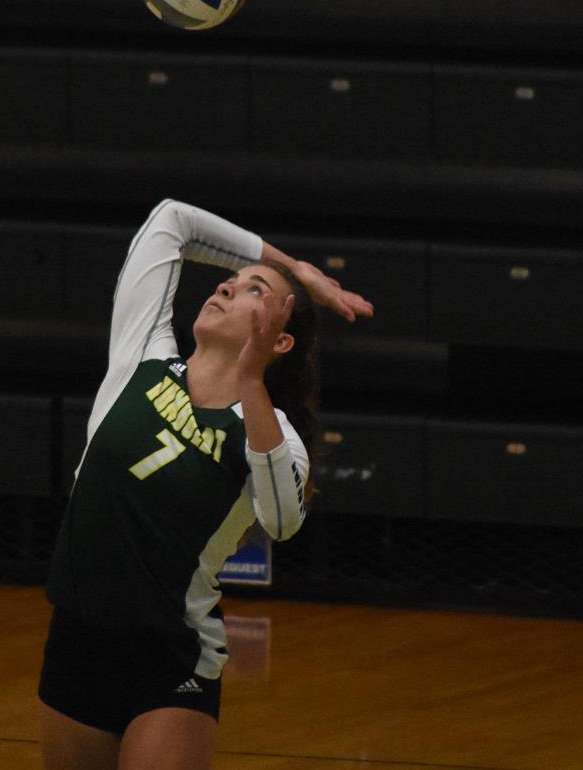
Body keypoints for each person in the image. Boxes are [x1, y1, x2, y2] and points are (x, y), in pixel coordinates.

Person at [39, 199, 374, 769]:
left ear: (280, 342)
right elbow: (172, 219)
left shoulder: (269, 431)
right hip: (78, 636)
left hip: (172, 658)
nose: (226, 287)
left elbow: (282, 521)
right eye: (230, 281)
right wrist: (295, 269)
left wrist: (250, 382)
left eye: (253, 291)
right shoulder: (142, 355)